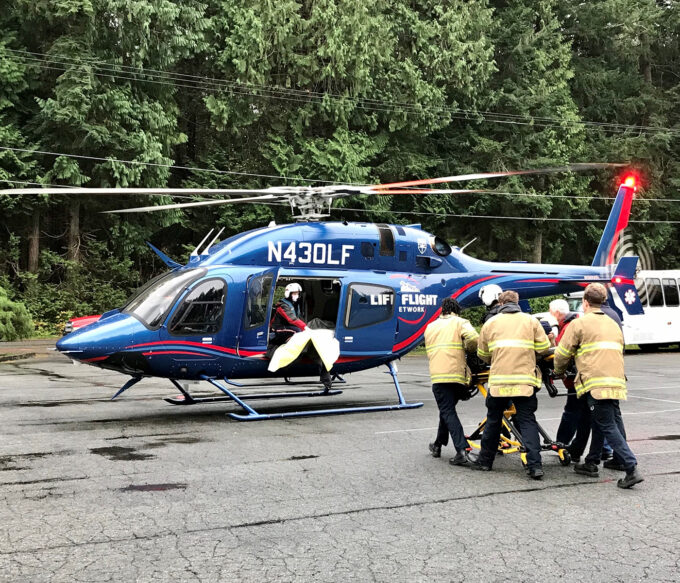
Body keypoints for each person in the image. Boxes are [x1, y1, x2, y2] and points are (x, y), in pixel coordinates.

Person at [554, 283, 643, 489]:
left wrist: (558, 371)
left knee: (606, 424)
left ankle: (631, 467)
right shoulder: (613, 323)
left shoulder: (580, 324)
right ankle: (591, 461)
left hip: (595, 382)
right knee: (600, 420)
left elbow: (562, 354)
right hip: (616, 381)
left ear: (585, 302)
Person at [469, 290, 551, 479]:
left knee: (494, 420)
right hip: (524, 381)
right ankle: (535, 466)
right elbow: (544, 347)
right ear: (517, 302)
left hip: (499, 382)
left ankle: (485, 461)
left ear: (500, 303)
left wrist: (496, 357)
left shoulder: (491, 323)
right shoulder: (531, 321)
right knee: (527, 420)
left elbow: (482, 354)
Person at [425, 298, 479, 466]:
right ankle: (438, 444)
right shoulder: (460, 322)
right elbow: (473, 338)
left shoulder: (430, 327)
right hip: (457, 375)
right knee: (447, 410)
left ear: (442, 310)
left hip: (438, 376)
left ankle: (462, 450)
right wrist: (468, 350)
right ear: (456, 310)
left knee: (447, 410)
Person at [270, 283, 332, 390]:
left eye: (298, 293)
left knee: (303, 332)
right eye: (294, 293)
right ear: (288, 293)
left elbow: (299, 319)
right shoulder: (283, 305)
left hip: (289, 327)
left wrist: (307, 327)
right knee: (297, 333)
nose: (296, 295)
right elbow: (292, 319)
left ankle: (321, 369)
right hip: (278, 330)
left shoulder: (294, 304)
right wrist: (305, 328)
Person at [550, 298, 581, 447]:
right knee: (589, 414)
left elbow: (561, 353)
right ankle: (604, 448)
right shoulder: (577, 321)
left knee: (572, 411)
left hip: (575, 378)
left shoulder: (568, 327)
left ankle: (562, 442)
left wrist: (558, 371)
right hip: (583, 375)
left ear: (556, 312)